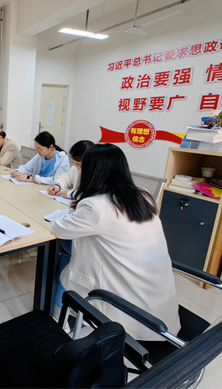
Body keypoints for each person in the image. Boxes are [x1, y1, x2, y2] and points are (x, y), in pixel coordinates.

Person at [52, 143, 180, 341]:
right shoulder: (143, 195)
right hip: (161, 311)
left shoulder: (96, 207)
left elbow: (59, 228)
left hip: (129, 315)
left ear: (91, 172)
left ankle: (57, 316)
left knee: (65, 254)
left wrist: (76, 210)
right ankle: (59, 312)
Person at [46, 140, 94, 315]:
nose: (77, 167)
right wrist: (57, 186)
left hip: (87, 242)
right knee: (65, 248)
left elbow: (89, 195)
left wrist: (72, 193)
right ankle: (60, 306)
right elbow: (65, 177)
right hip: (81, 225)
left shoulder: (95, 175)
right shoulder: (79, 168)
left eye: (78, 164)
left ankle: (59, 309)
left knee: (66, 248)